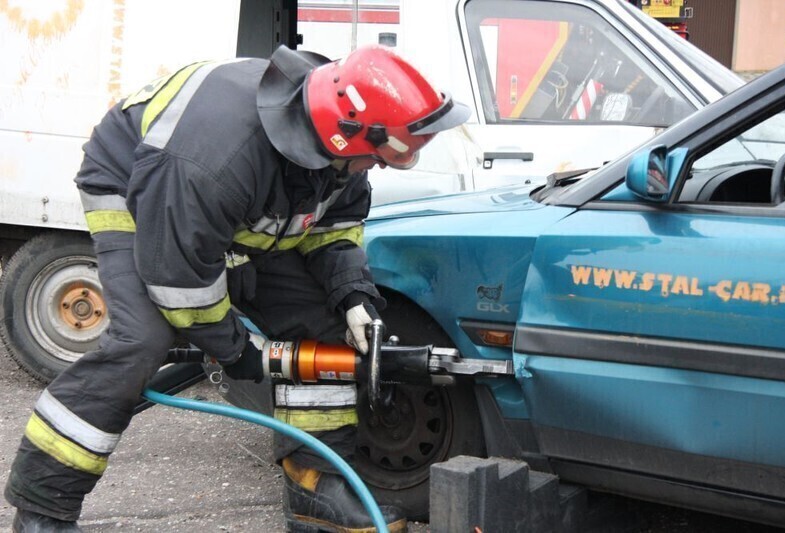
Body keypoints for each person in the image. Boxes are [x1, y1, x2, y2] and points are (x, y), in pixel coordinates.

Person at [4, 44, 470, 533]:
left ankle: (316, 486)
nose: (377, 167)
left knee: (324, 326)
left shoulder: (338, 144)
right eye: (377, 157)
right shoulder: (213, 161)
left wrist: (352, 293)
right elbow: (179, 279)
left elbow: (335, 226)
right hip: (139, 190)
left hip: (224, 208)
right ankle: (43, 508)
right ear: (344, 134)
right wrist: (236, 349)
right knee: (140, 342)